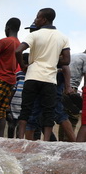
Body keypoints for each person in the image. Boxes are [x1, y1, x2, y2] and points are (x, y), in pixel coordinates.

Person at [15, 8, 70, 141]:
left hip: (32, 76)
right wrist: (52, 59)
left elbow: (18, 51)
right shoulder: (63, 37)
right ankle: (45, 141)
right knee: (48, 111)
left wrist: (23, 66)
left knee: (26, 109)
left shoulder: (34, 35)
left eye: (37, 17)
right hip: (49, 79)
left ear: (44, 19)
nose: (35, 19)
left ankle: (20, 138)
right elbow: (67, 60)